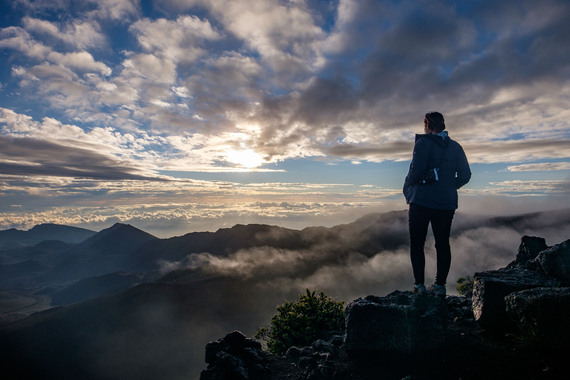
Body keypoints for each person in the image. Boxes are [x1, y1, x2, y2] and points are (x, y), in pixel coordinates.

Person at [403, 112, 471, 297]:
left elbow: (415, 173)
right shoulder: (456, 147)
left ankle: (419, 286)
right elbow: (465, 175)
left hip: (421, 201)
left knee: (417, 243)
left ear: (427, 124)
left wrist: (407, 186)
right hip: (446, 203)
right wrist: (448, 187)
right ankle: (440, 287)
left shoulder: (423, 143)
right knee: (442, 244)